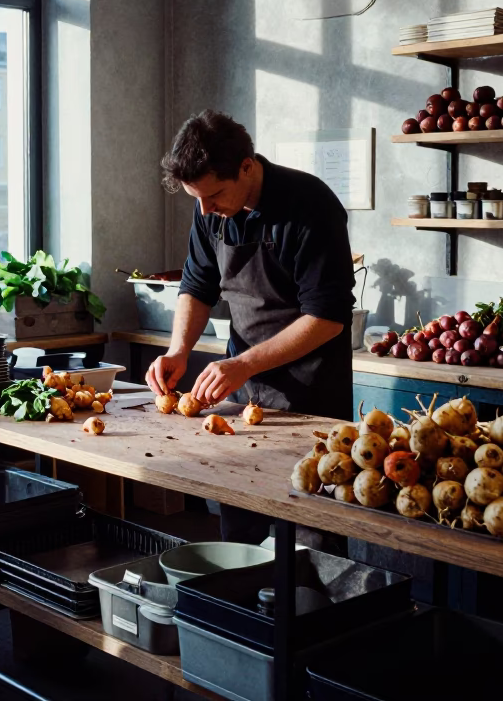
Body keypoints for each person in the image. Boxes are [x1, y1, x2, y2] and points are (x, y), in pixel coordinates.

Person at [146, 110, 356, 543]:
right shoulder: (209, 208)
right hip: (242, 394)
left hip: (311, 397)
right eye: (196, 199)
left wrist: (244, 364)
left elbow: (328, 318)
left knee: (311, 535)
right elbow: (197, 285)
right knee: (241, 523)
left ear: (246, 166)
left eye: (214, 195)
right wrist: (178, 350)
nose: (206, 210)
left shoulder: (310, 205)